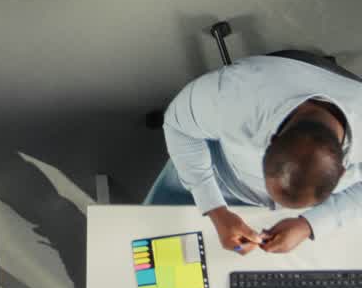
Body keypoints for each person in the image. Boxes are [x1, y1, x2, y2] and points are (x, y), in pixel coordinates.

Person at [146, 53, 362, 255]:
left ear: (343, 170)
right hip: (218, 179)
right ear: (271, 141)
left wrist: (308, 225)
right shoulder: (233, 96)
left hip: (319, 213)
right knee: (149, 239)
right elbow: (178, 126)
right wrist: (215, 209)